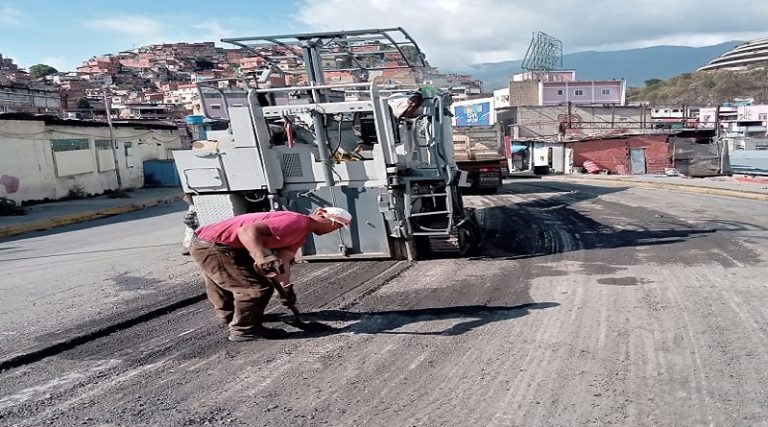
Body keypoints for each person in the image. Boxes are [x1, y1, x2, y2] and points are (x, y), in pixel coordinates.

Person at [189, 207, 352, 342]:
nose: (333, 229)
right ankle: (244, 330)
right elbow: (246, 231)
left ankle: (231, 318)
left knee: (228, 282)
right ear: (320, 213)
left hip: (221, 244)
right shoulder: (297, 221)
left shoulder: (300, 234)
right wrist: (262, 255)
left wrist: (286, 288)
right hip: (214, 245)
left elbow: (284, 261)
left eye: (338, 227)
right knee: (255, 288)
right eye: (335, 224)